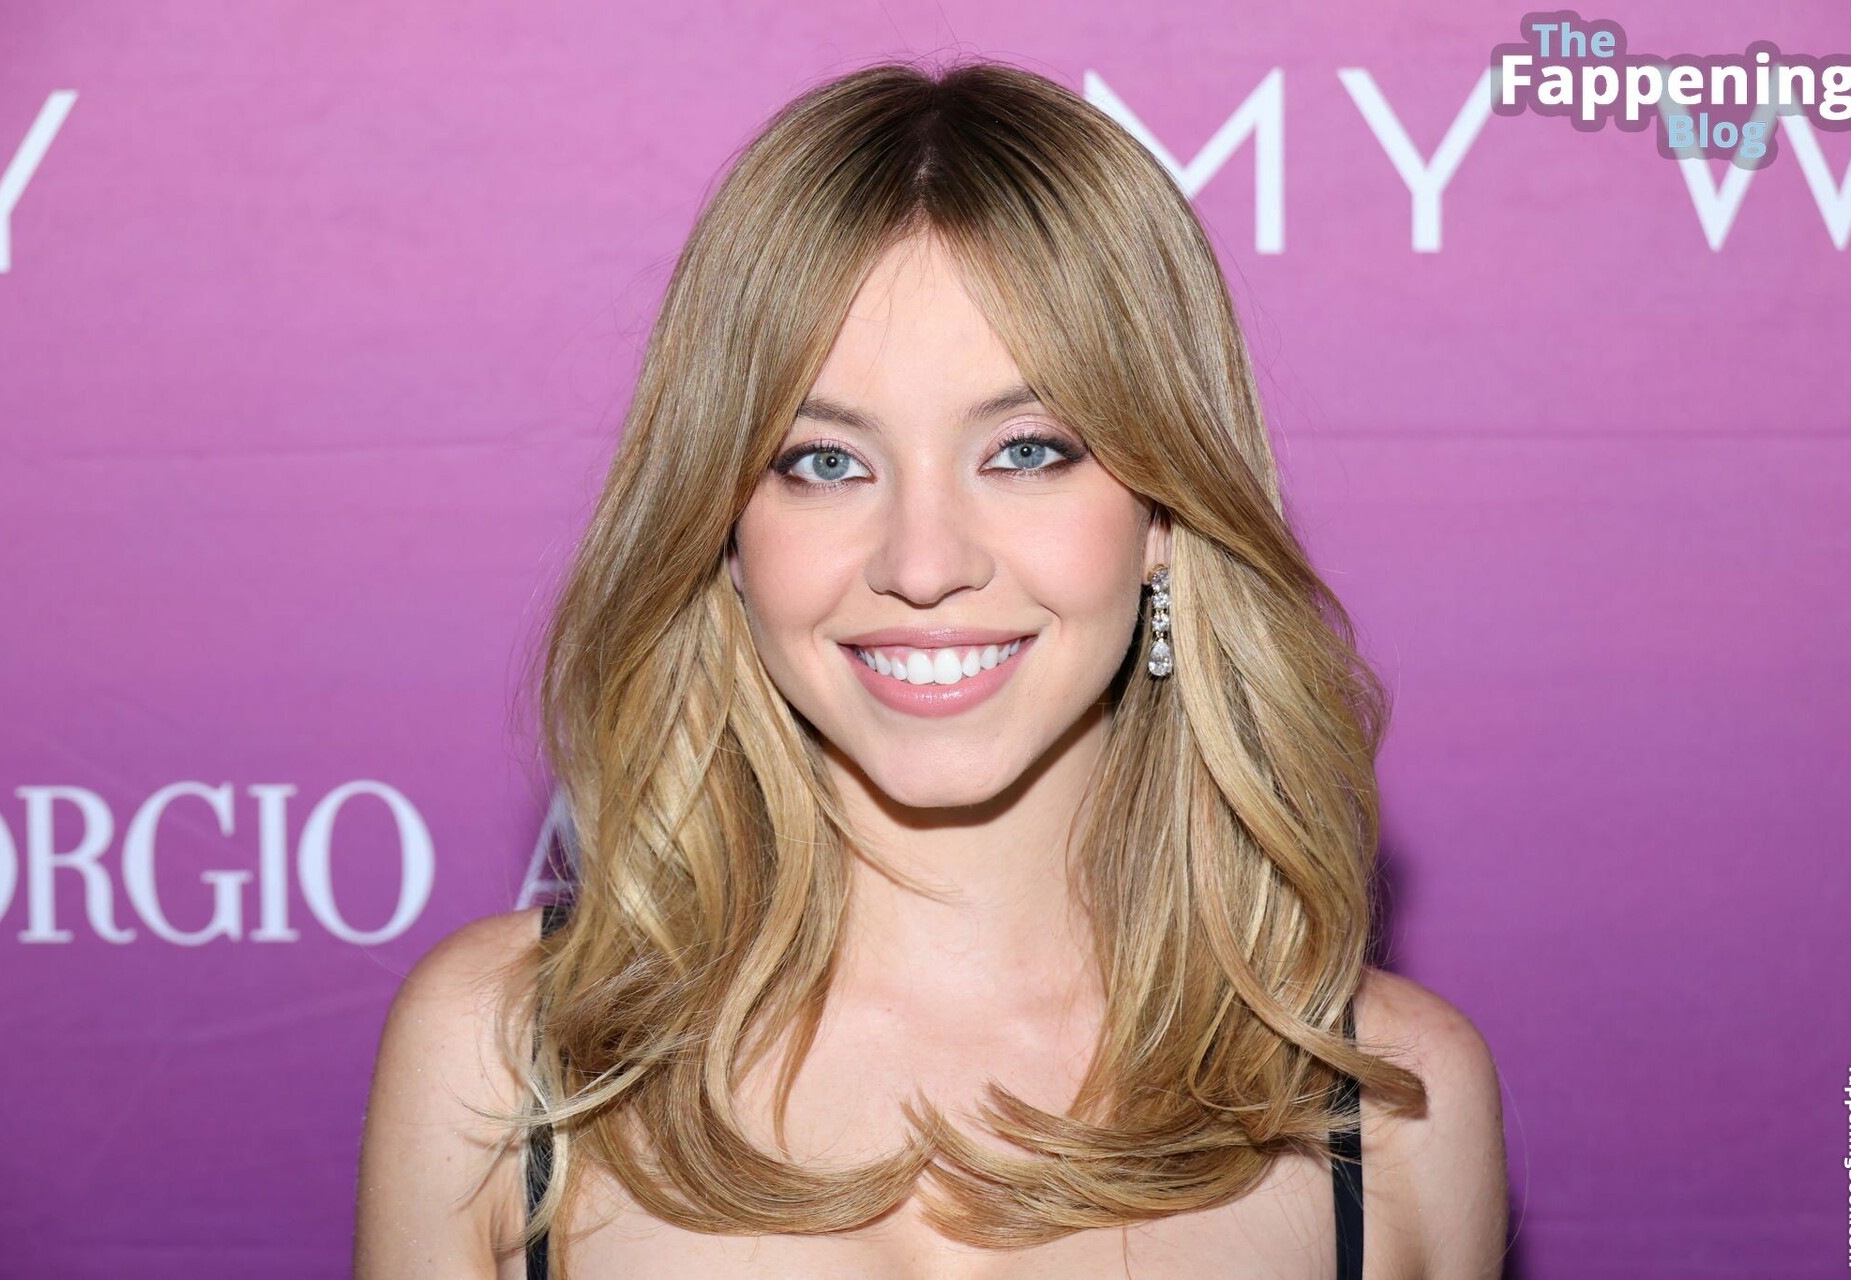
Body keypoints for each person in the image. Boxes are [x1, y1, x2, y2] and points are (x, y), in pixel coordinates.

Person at [353, 57, 1509, 1280]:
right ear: (725, 534)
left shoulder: (1399, 1111)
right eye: (825, 462)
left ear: (1166, 515)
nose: (922, 562)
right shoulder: (504, 1060)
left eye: (1026, 450)